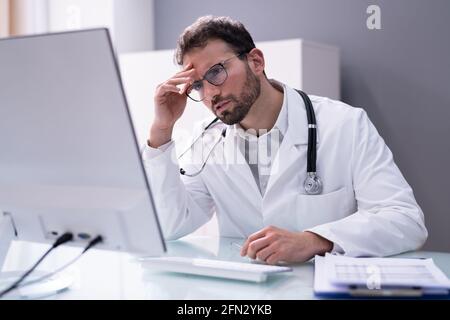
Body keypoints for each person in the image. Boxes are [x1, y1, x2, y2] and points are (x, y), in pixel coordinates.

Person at [142, 15, 427, 264]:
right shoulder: (207, 138)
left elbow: (405, 220)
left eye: (216, 72)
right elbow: (171, 225)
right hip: (247, 296)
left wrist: (315, 241)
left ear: (256, 61)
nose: (210, 93)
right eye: (197, 85)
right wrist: (161, 131)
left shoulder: (345, 124)